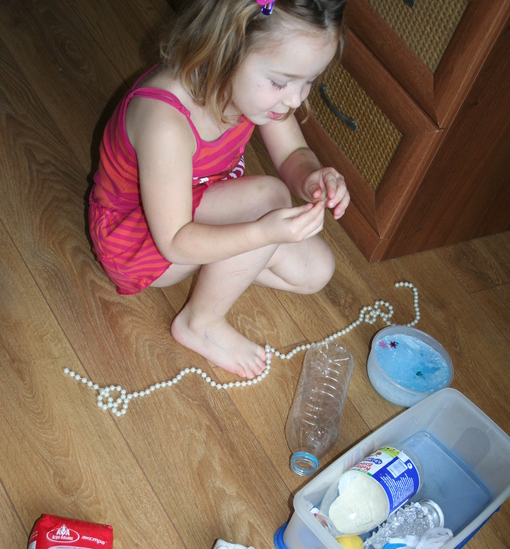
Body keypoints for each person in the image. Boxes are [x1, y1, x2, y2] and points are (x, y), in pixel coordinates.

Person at [89, 0, 350, 380]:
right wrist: (262, 233)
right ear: (227, 49)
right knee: (269, 198)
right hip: (138, 239)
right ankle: (201, 322)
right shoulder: (165, 121)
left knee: (316, 270)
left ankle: (224, 268)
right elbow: (174, 242)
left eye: (309, 80)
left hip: (200, 212)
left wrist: (312, 176)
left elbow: (293, 154)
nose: (295, 99)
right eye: (281, 82)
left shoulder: (261, 95)